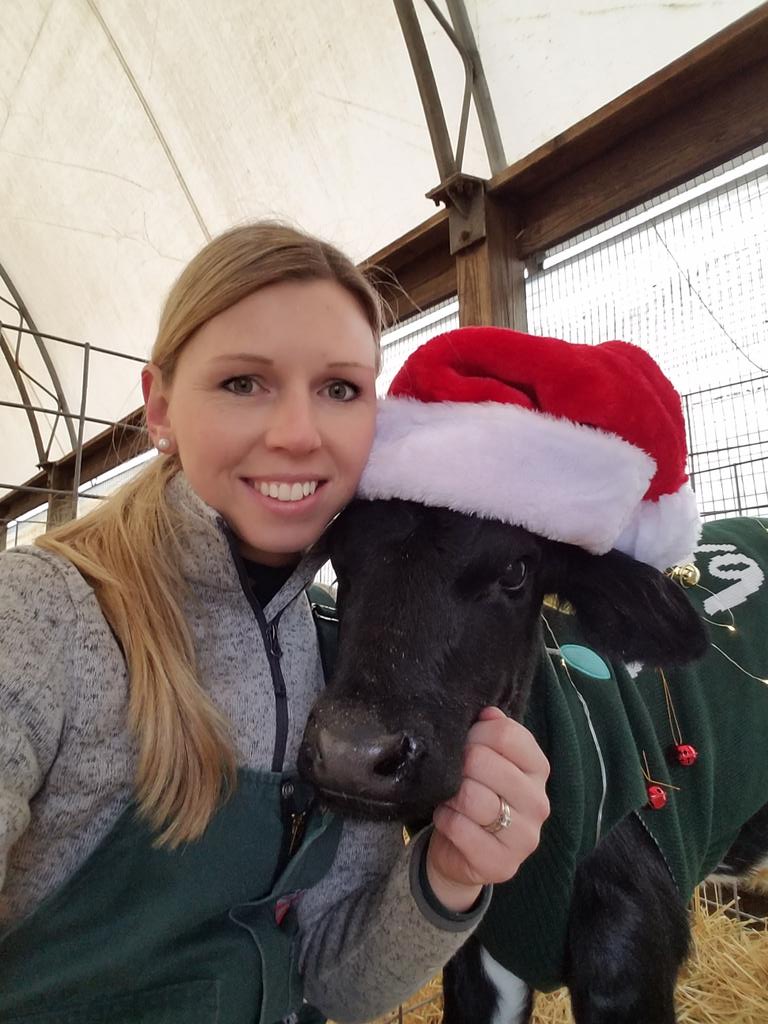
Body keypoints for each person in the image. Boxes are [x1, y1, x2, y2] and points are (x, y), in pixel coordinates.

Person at [0, 223, 550, 1023]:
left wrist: (452, 874)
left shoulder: (332, 651)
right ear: (159, 407)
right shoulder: (37, 615)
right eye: (243, 383)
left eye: (340, 389)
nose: (298, 433)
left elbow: (332, 978)